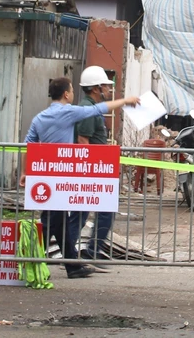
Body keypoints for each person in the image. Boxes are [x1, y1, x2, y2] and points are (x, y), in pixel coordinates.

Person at [20, 76, 140, 279]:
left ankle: (71, 265)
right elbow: (97, 109)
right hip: (61, 175)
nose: (74, 94)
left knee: (57, 221)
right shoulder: (68, 112)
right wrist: (126, 101)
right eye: (71, 91)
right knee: (52, 221)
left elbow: (27, 145)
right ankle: (30, 260)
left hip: (45, 176)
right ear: (66, 94)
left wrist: (25, 171)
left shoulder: (39, 118)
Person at [73, 66, 116, 261]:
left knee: (82, 214)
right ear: (96, 88)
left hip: (97, 167)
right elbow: (83, 142)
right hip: (93, 169)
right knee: (89, 213)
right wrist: (94, 169)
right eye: (106, 86)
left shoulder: (93, 108)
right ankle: (89, 252)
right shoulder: (88, 110)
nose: (109, 89)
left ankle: (86, 252)